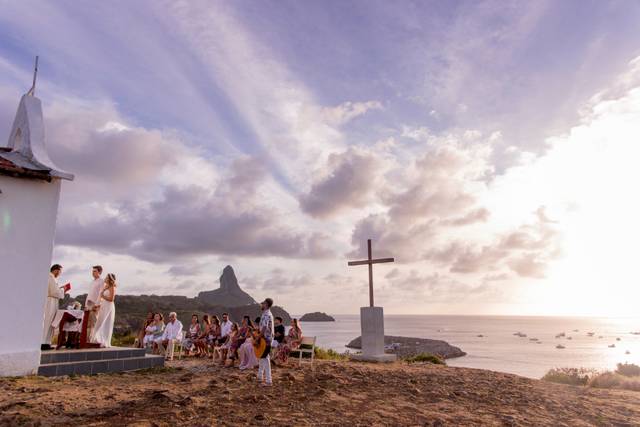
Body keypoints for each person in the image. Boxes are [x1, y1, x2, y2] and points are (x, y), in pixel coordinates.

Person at [42, 264, 68, 347]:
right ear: (56, 270)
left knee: (50, 321)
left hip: (53, 302)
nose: (60, 274)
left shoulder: (52, 278)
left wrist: (61, 289)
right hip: (50, 302)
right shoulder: (50, 277)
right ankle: (44, 342)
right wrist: (63, 288)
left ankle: (47, 342)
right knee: (48, 321)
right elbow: (55, 292)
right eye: (60, 271)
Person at [92, 273, 117, 348]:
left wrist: (103, 296)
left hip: (109, 307)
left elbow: (111, 299)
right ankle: (97, 340)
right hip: (103, 306)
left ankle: (104, 341)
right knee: (100, 321)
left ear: (110, 279)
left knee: (106, 323)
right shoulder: (106, 287)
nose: (105, 279)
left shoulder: (112, 287)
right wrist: (98, 305)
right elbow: (102, 298)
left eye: (106, 277)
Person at [257, 298, 274, 386]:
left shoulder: (267, 314)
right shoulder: (265, 313)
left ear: (266, 304)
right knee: (262, 357)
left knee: (265, 358)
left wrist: (258, 338)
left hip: (266, 339)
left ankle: (268, 381)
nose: (261, 304)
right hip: (265, 339)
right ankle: (260, 376)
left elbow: (264, 327)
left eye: (263, 303)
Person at [85, 265, 103, 340]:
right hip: (88, 305)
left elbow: (101, 294)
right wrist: (86, 305)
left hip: (95, 305)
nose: (93, 273)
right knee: (88, 324)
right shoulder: (92, 281)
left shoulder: (102, 281)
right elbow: (89, 294)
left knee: (94, 323)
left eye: (95, 271)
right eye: (92, 271)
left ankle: (93, 339)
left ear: (99, 272)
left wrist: (97, 305)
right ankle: (87, 339)